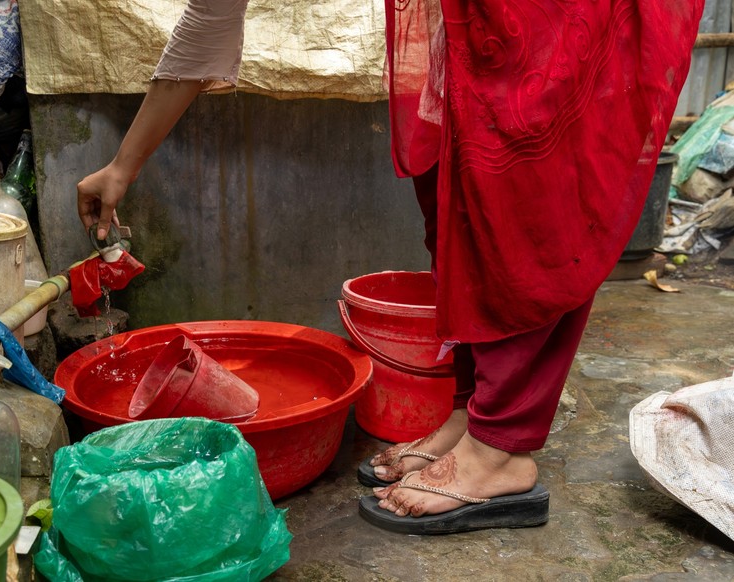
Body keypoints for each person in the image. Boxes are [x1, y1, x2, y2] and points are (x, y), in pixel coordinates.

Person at [77, 0, 704, 535]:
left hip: (549, 19)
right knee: (458, 196)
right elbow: (212, 16)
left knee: (525, 199)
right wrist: (123, 166)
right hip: (468, 22)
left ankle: (503, 449)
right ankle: (473, 413)